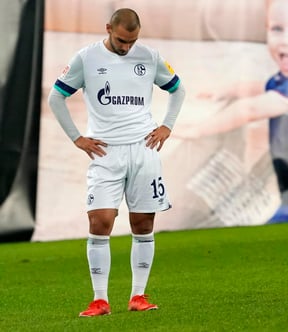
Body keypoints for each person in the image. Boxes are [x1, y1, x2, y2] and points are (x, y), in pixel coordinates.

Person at [48, 8, 185, 317]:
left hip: (143, 150)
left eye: (132, 41)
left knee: (143, 223)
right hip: (105, 153)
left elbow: (178, 89)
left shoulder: (148, 56)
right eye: (122, 40)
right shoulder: (87, 58)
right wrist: (77, 138)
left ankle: (138, 295)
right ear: (108, 28)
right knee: (100, 221)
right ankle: (99, 300)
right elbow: (56, 97)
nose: (127, 47)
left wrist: (167, 126)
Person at [174, 0, 288, 222]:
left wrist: (197, 130)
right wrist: (230, 90)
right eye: (277, 29)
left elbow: (252, 109)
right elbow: (266, 86)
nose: (286, 40)